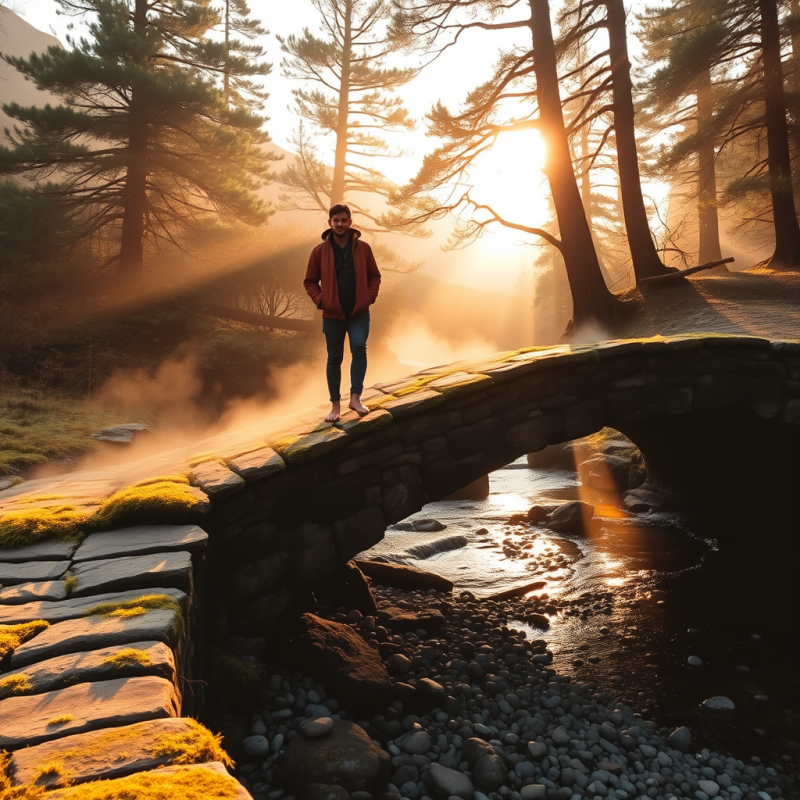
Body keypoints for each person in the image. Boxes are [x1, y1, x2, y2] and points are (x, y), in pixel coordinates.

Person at [303, 204, 381, 422]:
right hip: (332, 315)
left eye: (343, 220)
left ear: (350, 222)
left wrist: (369, 297)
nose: (339, 224)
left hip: (359, 313)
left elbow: (375, 276)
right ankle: (335, 406)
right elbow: (309, 281)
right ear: (330, 223)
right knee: (334, 358)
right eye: (335, 220)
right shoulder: (319, 252)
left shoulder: (363, 248)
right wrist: (322, 301)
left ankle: (355, 398)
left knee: (359, 347)